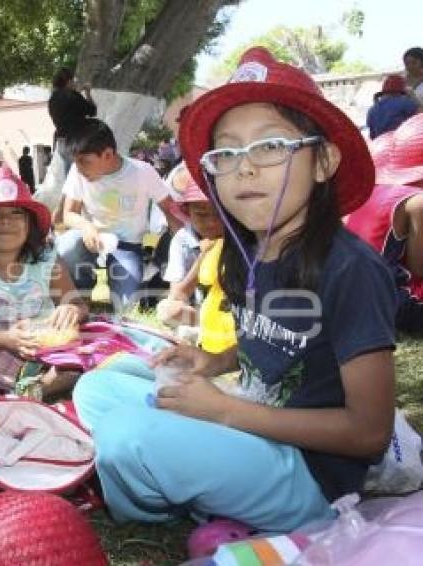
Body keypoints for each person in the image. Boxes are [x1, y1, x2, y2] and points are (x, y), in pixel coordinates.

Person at [73, 47, 396, 534]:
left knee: (123, 434)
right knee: (99, 384)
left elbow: (369, 432)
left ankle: (167, 497)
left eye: (270, 146)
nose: (243, 168)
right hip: (248, 420)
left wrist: (225, 410)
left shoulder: (350, 269)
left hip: (309, 475)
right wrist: (214, 361)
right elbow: (270, 339)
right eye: (226, 153)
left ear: (325, 160)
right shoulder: (241, 252)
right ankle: (194, 479)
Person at [0, 166, 88, 394]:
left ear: (30, 224)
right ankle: (26, 388)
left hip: (49, 351)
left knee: (76, 364)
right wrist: (7, 339)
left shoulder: (47, 262)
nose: (5, 221)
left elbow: (78, 305)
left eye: (16, 213)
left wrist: (71, 310)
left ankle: (37, 388)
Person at [56, 118, 179, 312]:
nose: (79, 167)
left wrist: (185, 244)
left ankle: (141, 279)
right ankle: (80, 298)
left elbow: (170, 209)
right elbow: (69, 214)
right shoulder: (77, 172)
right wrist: (87, 227)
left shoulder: (142, 171)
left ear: (107, 154)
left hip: (127, 248)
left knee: (126, 307)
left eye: (85, 161)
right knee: (67, 245)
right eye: (76, 161)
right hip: (91, 242)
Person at [348, 113, 423, 333]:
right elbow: (419, 269)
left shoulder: (371, 192)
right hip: (393, 303)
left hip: (356, 295)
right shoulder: (417, 202)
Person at [155, 171, 224, 330]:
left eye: (219, 215)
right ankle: (205, 326)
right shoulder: (182, 240)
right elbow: (178, 295)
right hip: (200, 311)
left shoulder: (238, 238)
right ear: (187, 212)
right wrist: (204, 256)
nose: (211, 222)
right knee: (167, 310)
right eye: (201, 214)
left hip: (231, 311)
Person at [48, 67, 96, 176]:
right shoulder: (73, 96)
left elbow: (68, 106)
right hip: (76, 141)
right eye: (73, 80)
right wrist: (88, 93)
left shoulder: (52, 99)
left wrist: (76, 91)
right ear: (69, 81)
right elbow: (92, 111)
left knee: (70, 178)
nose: (75, 82)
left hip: (61, 142)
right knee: (81, 178)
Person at [366, 74, 420, 139]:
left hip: (382, 146)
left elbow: (372, 136)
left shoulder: (372, 110)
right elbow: (420, 119)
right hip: (403, 143)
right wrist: (414, 97)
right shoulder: (404, 102)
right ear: (403, 90)